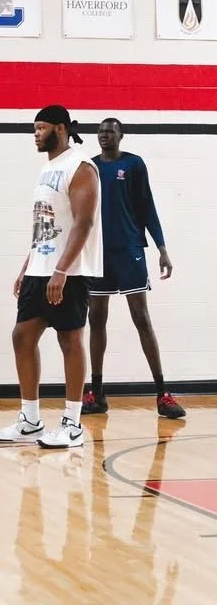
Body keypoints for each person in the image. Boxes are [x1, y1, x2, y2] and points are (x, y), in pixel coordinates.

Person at [0, 105, 102, 449]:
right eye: (34, 128)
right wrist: (28, 265)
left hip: (69, 272)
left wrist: (61, 270)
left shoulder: (80, 166)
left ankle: (72, 424)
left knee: (70, 342)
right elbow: (44, 226)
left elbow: (83, 223)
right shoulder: (47, 168)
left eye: (41, 128)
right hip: (40, 270)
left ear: (61, 129)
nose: (35, 134)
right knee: (22, 337)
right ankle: (30, 421)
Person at [82, 118, 185, 419]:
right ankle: (96, 393)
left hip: (129, 251)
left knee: (141, 317)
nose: (104, 136)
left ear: (121, 135)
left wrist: (162, 248)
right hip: (98, 253)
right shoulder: (89, 167)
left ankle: (162, 394)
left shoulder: (135, 165)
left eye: (110, 132)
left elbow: (147, 206)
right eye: (100, 132)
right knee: (96, 317)